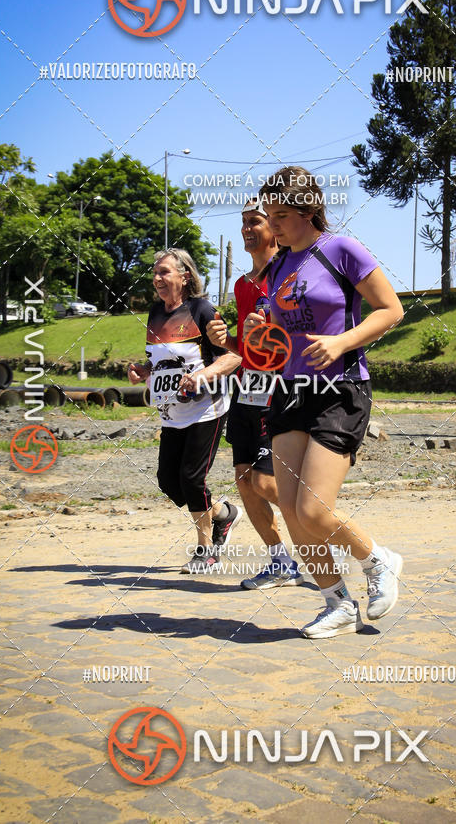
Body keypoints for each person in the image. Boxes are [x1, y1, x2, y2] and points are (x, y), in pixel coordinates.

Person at [243, 166, 404, 638]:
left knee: (314, 511)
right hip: (290, 392)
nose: (272, 225)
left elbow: (391, 309)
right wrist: (259, 327)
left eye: (281, 215)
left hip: (340, 388)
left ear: (309, 209)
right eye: (267, 216)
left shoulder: (341, 249)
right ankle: (337, 603)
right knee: (292, 512)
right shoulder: (276, 268)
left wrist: (341, 343)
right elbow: (281, 324)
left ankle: (377, 559)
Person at [207, 198, 303, 589]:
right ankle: (282, 563)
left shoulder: (289, 274)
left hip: (280, 387)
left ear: (275, 228)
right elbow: (248, 349)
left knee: (265, 483)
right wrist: (226, 339)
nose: (247, 228)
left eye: (256, 221)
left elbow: (295, 339)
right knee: (245, 481)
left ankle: (326, 527)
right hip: (248, 387)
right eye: (243, 221)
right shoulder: (242, 285)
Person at [128, 248, 242, 574]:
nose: (157, 278)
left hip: (207, 407)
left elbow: (234, 356)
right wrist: (143, 371)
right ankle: (223, 515)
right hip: (171, 412)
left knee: (192, 480)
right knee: (169, 481)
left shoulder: (202, 309)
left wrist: (202, 376)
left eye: (165, 272)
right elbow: (159, 359)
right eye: (155, 272)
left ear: (184, 276)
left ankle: (206, 551)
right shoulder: (155, 314)